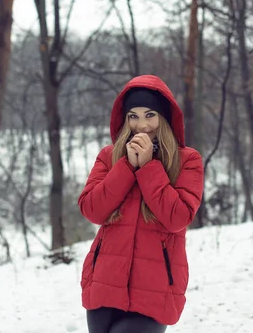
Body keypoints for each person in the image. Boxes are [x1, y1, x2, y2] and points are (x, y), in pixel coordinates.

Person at [77, 75, 205, 333]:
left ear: (164, 118)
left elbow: (178, 217)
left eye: (150, 115)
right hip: (105, 282)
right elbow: (92, 209)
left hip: (156, 289)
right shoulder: (109, 156)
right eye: (133, 116)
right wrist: (126, 166)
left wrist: (148, 167)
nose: (142, 125)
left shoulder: (187, 161)